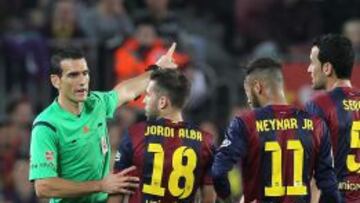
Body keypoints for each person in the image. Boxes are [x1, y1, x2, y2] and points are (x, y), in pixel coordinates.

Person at [29, 43, 177, 203]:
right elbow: (43, 187)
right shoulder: (47, 125)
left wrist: (157, 70)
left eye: (85, 73)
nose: (82, 81)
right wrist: (100, 185)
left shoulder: (96, 103)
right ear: (56, 81)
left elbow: (126, 91)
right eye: (73, 75)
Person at [211, 58, 340, 203]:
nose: (248, 100)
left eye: (248, 93)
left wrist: (227, 198)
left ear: (257, 87)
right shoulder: (317, 125)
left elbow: (218, 171)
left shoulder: (245, 123)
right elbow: (328, 183)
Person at [109, 69, 215, 203]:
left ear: (162, 102)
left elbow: (117, 191)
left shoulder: (135, 135)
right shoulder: (206, 142)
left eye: (149, 95)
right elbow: (209, 198)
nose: (144, 100)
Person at [305, 34, 359, 202]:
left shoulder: (319, 105)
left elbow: (313, 172)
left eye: (313, 62)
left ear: (327, 68)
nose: (309, 69)